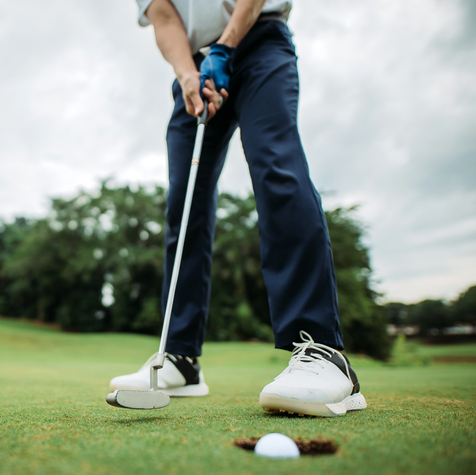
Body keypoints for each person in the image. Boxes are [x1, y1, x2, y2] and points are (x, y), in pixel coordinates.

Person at [109, 0, 367, 417]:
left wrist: (225, 47)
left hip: (259, 40)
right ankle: (179, 358)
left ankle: (322, 350)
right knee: (184, 204)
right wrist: (188, 74)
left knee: (276, 168)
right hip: (194, 69)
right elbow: (163, 15)